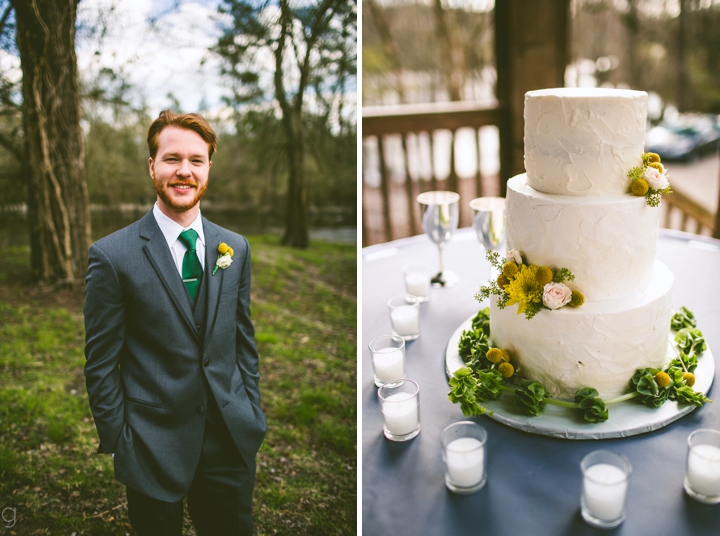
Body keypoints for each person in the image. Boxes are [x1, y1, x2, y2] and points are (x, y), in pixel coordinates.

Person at [84, 110, 266, 535]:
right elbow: (100, 363)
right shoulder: (113, 256)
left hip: (230, 437)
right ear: (152, 166)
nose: (184, 171)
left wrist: (251, 411)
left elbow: (243, 342)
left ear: (207, 168)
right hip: (151, 443)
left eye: (196, 160)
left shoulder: (234, 247)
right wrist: (119, 440)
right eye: (171, 159)